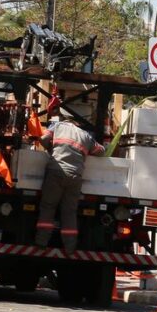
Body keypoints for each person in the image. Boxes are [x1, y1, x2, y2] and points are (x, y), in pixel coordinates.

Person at [33, 103, 105, 252]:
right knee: (69, 211)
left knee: (48, 207)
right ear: (79, 121)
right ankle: (70, 247)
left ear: (64, 117)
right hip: (75, 177)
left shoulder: (57, 127)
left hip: (55, 173)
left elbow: (43, 139)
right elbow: (100, 151)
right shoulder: (85, 135)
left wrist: (52, 150)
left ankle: (41, 242)